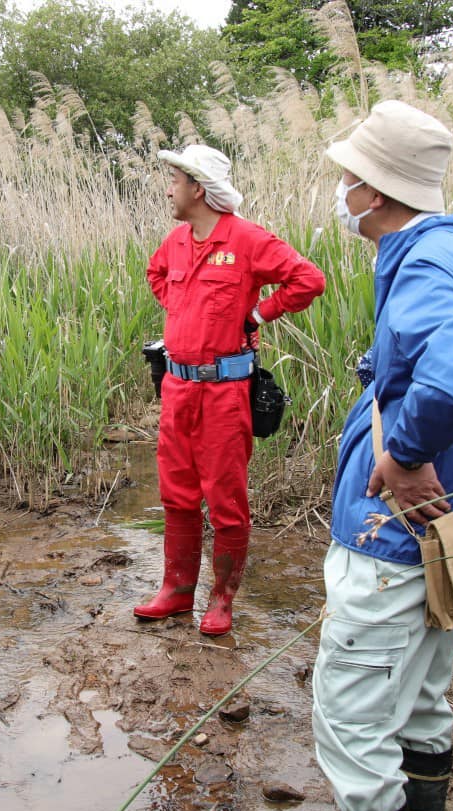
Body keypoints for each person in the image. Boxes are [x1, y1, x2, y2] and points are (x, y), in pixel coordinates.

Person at [313, 101, 453, 811]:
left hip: (391, 540)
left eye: (349, 175)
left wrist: (400, 453)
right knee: (424, 704)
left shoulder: (425, 262)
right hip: (438, 536)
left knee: (352, 721)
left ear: (377, 188)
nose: (341, 188)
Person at [135, 144, 325, 636]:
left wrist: (257, 314)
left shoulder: (247, 238)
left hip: (225, 392)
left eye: (175, 181)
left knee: (225, 498)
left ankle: (221, 600)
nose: (169, 189)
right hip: (177, 386)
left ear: (198, 188)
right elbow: (156, 275)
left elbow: (308, 280)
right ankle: (176, 592)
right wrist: (185, 308)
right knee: (176, 493)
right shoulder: (176, 241)